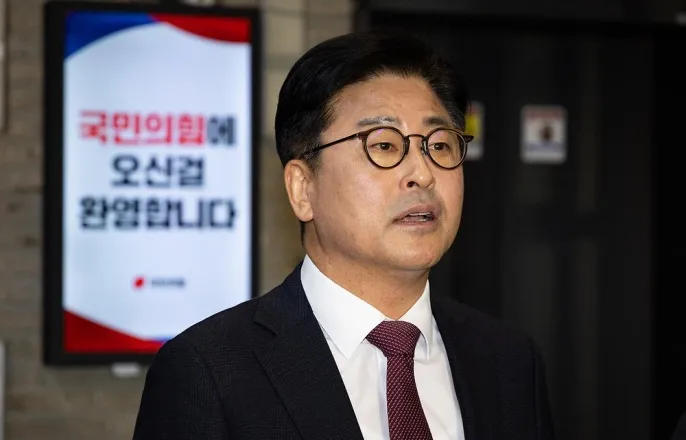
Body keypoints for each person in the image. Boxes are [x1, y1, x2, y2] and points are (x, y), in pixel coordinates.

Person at [133, 31, 556, 440]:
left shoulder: (509, 362)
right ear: (302, 189)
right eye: (385, 145)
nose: (423, 173)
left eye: (440, 144)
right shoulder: (208, 373)